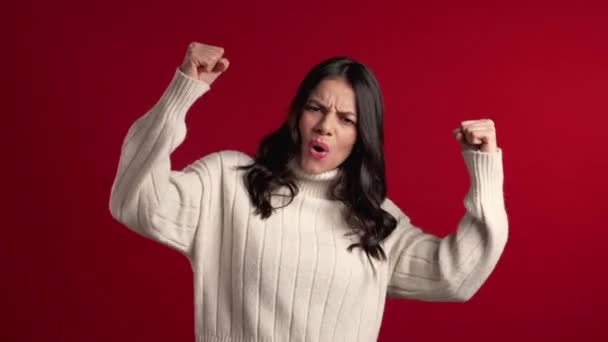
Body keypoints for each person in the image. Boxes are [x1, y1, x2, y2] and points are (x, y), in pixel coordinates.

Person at [109, 41, 508, 342]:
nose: (325, 127)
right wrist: (182, 93)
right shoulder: (228, 182)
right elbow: (136, 198)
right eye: (316, 108)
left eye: (346, 118)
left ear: (361, 136)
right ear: (298, 115)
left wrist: (485, 171)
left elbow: (456, 276)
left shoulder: (375, 221)